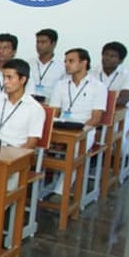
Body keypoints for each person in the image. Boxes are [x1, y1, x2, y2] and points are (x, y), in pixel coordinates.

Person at [48, 48, 107, 198]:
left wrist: (81, 132)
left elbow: (96, 118)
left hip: (84, 129)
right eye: (65, 61)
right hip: (61, 126)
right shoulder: (60, 84)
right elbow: (54, 111)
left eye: (71, 61)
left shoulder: (98, 86)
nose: (66, 64)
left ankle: (59, 192)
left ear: (84, 63)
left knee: (75, 152)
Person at [0, 59, 46, 189]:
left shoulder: (35, 108)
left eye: (10, 77)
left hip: (16, 155)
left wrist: (11, 157)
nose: (5, 82)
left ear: (23, 80)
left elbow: (31, 144)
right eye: (4, 77)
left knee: (10, 178)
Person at [29, 28, 66, 101]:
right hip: (30, 104)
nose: (39, 45)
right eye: (37, 42)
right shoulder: (29, 64)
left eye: (43, 42)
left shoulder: (62, 66)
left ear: (53, 44)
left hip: (51, 105)